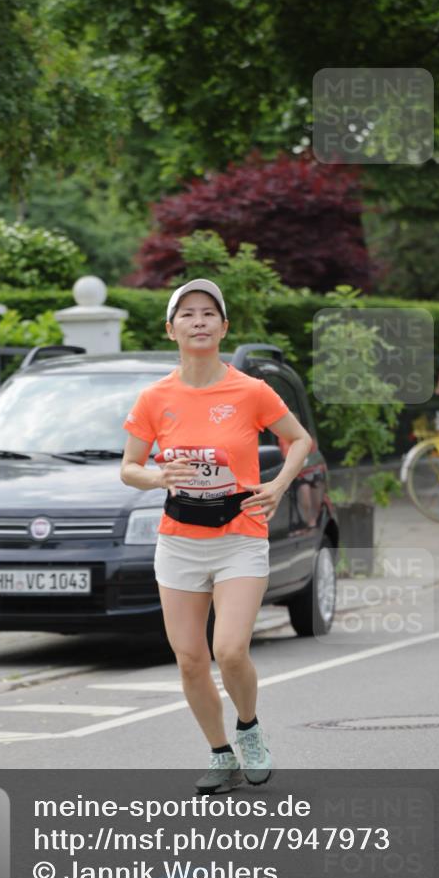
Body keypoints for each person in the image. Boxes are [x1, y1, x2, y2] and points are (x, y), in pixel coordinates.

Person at [120, 279, 312, 795]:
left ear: (224, 328)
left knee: (229, 650)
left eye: (209, 313)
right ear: (171, 330)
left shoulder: (249, 390)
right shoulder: (155, 397)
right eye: (188, 314)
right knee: (189, 659)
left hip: (240, 536)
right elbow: (129, 468)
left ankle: (248, 729)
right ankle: (219, 753)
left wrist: (276, 484)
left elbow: (298, 440)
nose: (199, 321)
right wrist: (160, 476)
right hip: (179, 540)